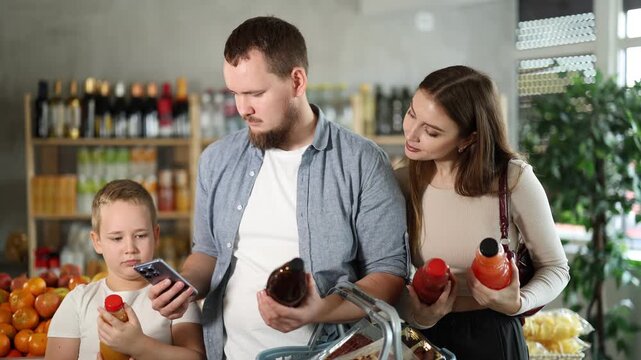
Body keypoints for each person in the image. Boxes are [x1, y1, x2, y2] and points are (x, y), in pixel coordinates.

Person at [147, 16, 409, 360]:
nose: (243, 109)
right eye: (235, 94)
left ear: (297, 81)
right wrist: (184, 286)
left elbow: (388, 275)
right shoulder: (217, 159)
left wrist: (320, 310)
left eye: (255, 93)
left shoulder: (362, 161)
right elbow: (208, 252)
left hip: (329, 351)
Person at [395, 65, 570, 359]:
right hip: (421, 334)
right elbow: (386, 274)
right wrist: (420, 317)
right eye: (412, 114)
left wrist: (518, 302)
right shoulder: (402, 182)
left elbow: (556, 267)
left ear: (469, 139)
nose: (411, 134)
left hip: (494, 335)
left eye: (432, 131)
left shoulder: (512, 180)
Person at [46, 179, 205, 360]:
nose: (130, 248)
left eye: (140, 235)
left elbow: (196, 357)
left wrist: (139, 346)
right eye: (116, 238)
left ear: (156, 235)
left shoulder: (174, 297)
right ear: (97, 242)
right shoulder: (77, 302)